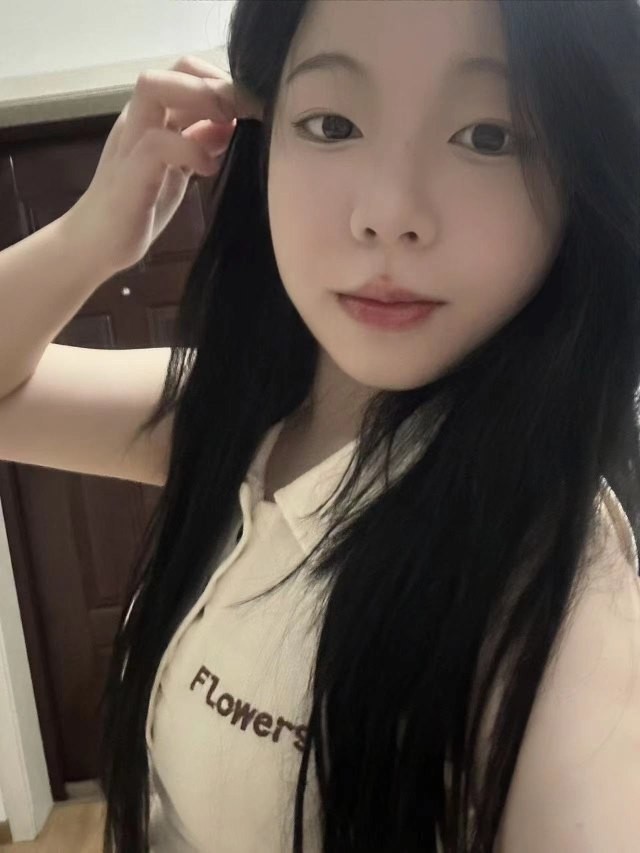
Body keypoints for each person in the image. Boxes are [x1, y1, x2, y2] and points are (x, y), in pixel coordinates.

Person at [0, 0, 639, 850]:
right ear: (264, 137)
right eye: (332, 123)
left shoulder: (560, 591)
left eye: (489, 136)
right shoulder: (239, 414)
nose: (389, 211)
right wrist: (93, 233)